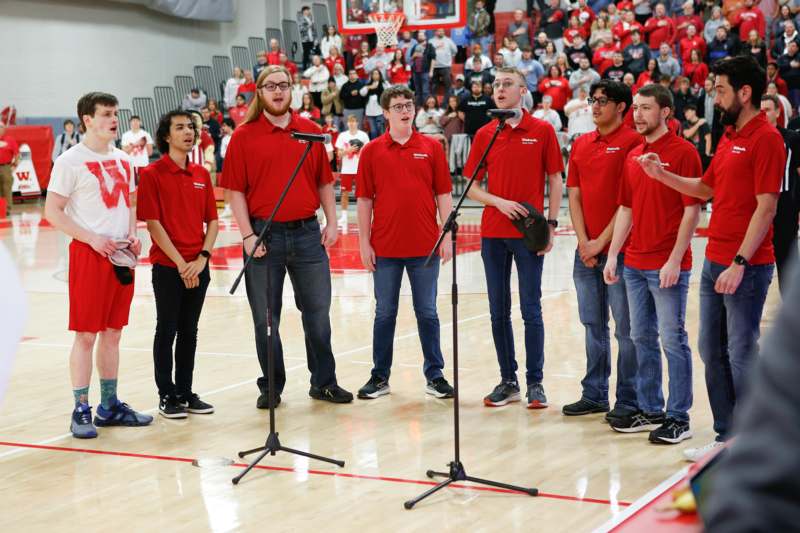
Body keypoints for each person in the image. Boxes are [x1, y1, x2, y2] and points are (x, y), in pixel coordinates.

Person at [636, 56, 786, 461]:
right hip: (714, 258)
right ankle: (726, 435)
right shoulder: (729, 135)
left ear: (745, 92)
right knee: (710, 349)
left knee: (740, 350)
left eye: (720, 90)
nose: (715, 97)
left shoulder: (768, 139)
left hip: (747, 265)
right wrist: (660, 175)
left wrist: (739, 262)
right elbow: (704, 190)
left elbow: (766, 207)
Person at [222, 65, 353, 406]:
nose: (278, 91)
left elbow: (324, 181)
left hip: (308, 234)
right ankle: (272, 386)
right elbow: (234, 191)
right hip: (264, 237)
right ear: (260, 93)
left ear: (292, 90)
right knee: (266, 319)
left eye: (284, 85)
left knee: (318, 314)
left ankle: (323, 381)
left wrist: (333, 222)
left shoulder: (310, 131)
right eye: (271, 86)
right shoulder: (244, 136)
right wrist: (248, 235)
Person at [44, 92, 153, 438]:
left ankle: (109, 405)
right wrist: (91, 238)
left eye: (116, 114)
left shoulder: (124, 160)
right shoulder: (69, 161)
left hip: (122, 255)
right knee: (87, 335)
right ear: (87, 119)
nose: (114, 120)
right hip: (89, 255)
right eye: (106, 114)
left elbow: (130, 203)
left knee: (113, 333)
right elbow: (52, 212)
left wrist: (133, 234)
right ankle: (80, 409)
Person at [603, 83, 701, 443]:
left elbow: (693, 210)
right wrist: (614, 254)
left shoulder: (684, 152)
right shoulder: (633, 156)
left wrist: (676, 259)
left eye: (646, 108)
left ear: (666, 113)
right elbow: (625, 208)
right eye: (636, 108)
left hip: (667, 264)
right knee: (641, 337)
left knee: (672, 340)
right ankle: (650, 409)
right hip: (634, 263)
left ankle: (679, 417)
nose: (638, 115)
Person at [465, 68, 564, 408]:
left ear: (523, 90)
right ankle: (508, 381)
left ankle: (535, 383)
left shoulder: (542, 130)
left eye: (507, 84)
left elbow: (555, 179)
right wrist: (499, 202)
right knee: (498, 311)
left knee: (531, 309)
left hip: (528, 235)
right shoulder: (485, 134)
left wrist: (550, 224)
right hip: (493, 234)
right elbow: (472, 187)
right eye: (496, 84)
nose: (500, 89)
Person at [355, 85, 455, 400]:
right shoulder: (371, 151)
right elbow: (363, 201)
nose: (404, 110)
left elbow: (444, 194)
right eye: (397, 106)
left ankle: (435, 375)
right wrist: (363, 242)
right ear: (385, 113)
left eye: (408, 105)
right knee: (385, 313)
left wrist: (447, 234)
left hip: (425, 248)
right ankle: (379, 376)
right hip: (384, 248)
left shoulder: (432, 147)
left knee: (427, 312)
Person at [563, 80, 640, 419]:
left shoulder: (634, 143)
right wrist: (584, 241)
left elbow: (631, 202)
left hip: (622, 252)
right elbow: (574, 195)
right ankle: (594, 393)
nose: (594, 107)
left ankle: (628, 398)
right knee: (593, 324)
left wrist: (601, 243)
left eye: (602, 101)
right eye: (592, 100)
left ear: (622, 108)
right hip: (587, 252)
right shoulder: (581, 143)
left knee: (626, 329)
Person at [137, 110, 218, 419]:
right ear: (166, 136)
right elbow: (153, 224)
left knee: (189, 330)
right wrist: (182, 263)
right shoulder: (152, 174)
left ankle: (185, 390)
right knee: (167, 328)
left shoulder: (201, 174)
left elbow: (212, 221)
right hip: (169, 267)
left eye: (191, 127)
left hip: (198, 266)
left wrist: (202, 259)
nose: (188, 132)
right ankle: (166, 394)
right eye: (180, 128)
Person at [761, 94, 800, 296]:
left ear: (777, 112)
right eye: (760, 110)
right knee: (754, 265)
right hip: (757, 208)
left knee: (787, 264)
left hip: (785, 207)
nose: (763, 114)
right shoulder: (752, 140)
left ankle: (792, 314)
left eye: (767, 109)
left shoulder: (792, 138)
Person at [335, 114, 369, 227]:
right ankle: (344, 217)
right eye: (349, 121)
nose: (351, 123)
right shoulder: (342, 136)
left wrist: (359, 152)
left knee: (362, 195)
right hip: (346, 170)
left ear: (357, 123)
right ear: (347, 123)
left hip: (360, 170)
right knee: (344, 193)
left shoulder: (363, 135)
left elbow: (368, 153)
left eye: (354, 121)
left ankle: (363, 216)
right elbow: (339, 155)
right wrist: (348, 150)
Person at [359, 69, 388, 139]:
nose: (375, 75)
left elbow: (389, 91)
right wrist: (369, 87)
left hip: (380, 112)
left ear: (380, 75)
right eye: (373, 74)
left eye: (377, 74)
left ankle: (383, 146)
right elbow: (361, 93)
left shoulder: (384, 84)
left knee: (381, 130)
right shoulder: (368, 85)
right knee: (373, 131)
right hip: (370, 113)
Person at [430, 28, 458, 98]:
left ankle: (448, 102)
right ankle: (434, 103)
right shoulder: (431, 41)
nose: (441, 32)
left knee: (448, 86)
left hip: (445, 66)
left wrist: (448, 57)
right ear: (435, 32)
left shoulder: (448, 40)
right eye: (439, 31)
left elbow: (455, 51)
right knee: (433, 87)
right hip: (434, 67)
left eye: (442, 31)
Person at [0, 122, 19, 216]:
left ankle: (7, 209)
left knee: (6, 188)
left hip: (6, 167)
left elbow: (17, 154)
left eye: (1, 127)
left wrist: (15, 165)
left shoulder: (10, 140)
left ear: (4, 129)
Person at [298, 5, 318, 70]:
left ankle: (313, 67)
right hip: (305, 40)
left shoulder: (310, 18)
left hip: (311, 39)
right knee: (306, 54)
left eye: (309, 10)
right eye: (307, 10)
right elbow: (301, 29)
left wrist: (315, 38)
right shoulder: (301, 19)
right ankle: (305, 68)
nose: (309, 11)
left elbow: (314, 29)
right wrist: (309, 25)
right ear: (304, 11)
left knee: (313, 53)